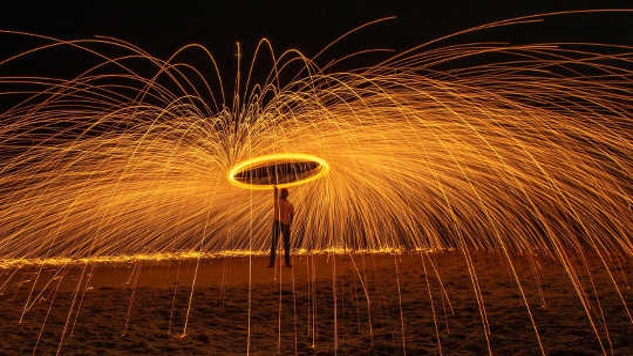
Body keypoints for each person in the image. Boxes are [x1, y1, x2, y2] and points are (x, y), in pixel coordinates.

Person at [269, 186, 294, 268]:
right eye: (283, 192)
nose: (284, 194)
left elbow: (291, 214)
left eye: (285, 192)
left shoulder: (290, 204)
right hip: (277, 222)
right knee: (274, 243)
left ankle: (287, 262)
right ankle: (272, 263)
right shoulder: (277, 200)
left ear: (287, 194)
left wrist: (290, 224)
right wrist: (275, 185)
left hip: (286, 224)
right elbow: (275, 192)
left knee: (286, 244)